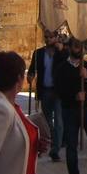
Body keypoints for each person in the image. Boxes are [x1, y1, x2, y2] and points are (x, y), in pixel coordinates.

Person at [55, 39, 87, 174]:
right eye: (76, 47)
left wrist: (86, 77)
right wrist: (74, 96)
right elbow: (59, 90)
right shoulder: (62, 68)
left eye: (81, 47)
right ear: (70, 48)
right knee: (71, 144)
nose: (79, 50)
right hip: (70, 109)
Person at [26, 31, 66, 163]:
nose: (48, 40)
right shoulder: (38, 53)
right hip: (45, 90)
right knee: (47, 121)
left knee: (59, 121)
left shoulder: (62, 52)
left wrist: (62, 50)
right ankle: (54, 140)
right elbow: (32, 68)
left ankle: (55, 150)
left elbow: (69, 65)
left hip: (58, 91)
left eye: (51, 37)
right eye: (46, 37)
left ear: (56, 38)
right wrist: (30, 75)